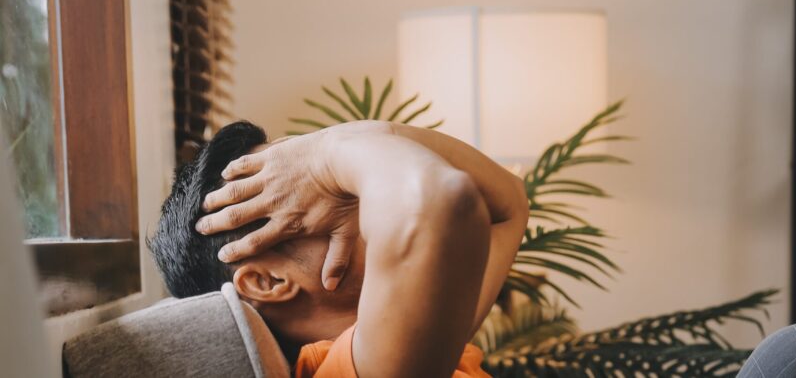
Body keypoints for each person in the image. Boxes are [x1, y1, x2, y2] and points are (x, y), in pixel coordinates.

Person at [149, 120, 528, 378]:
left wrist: (341, 142)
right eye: (303, 200)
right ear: (267, 281)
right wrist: (326, 157)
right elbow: (440, 201)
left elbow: (508, 203)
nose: (355, 190)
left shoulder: (425, 337)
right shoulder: (345, 369)